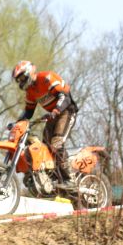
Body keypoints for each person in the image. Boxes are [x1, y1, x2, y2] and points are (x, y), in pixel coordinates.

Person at [11, 60, 78, 188]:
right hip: (53, 115)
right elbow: (28, 112)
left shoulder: (47, 78)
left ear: (29, 72)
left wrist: (56, 110)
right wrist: (16, 123)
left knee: (56, 143)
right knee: (45, 147)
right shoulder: (30, 92)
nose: (21, 82)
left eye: (22, 78)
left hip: (66, 111)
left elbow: (65, 96)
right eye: (19, 80)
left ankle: (70, 178)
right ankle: (54, 176)